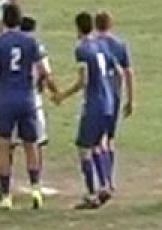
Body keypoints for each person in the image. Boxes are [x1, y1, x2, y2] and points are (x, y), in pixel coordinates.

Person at [0, 4, 50, 210]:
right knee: (31, 145)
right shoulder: (31, 42)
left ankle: (5, 194)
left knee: (3, 145)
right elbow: (43, 70)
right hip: (26, 98)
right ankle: (36, 188)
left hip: (4, 97)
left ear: (4, 20)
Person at [53, 12, 120, 209]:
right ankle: (106, 185)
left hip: (94, 104)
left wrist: (62, 95)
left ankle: (91, 193)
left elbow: (84, 80)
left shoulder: (82, 49)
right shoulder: (102, 44)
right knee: (99, 144)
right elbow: (116, 71)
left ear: (77, 27)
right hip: (108, 101)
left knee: (84, 148)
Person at [94, 11, 135, 193]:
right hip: (116, 96)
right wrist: (131, 99)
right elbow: (128, 72)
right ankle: (110, 179)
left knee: (98, 141)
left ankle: (104, 181)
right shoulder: (119, 44)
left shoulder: (92, 45)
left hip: (98, 97)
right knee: (110, 139)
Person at [19, 16, 59, 177]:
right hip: (32, 101)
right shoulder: (36, 47)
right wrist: (56, 93)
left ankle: (4, 187)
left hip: (9, 99)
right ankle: (36, 181)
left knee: (9, 143)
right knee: (37, 141)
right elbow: (46, 74)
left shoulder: (7, 43)